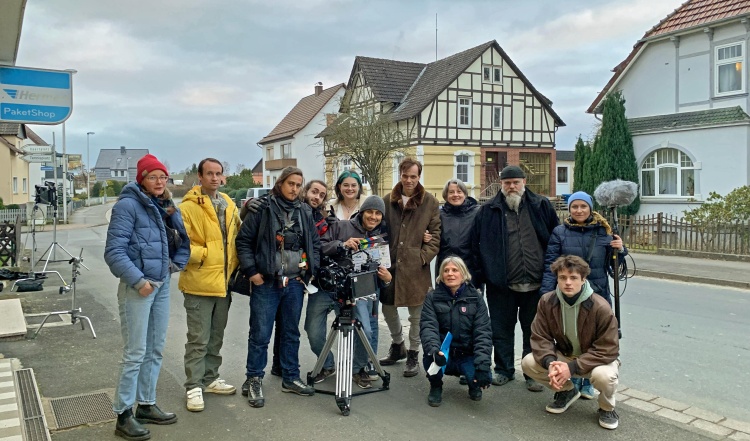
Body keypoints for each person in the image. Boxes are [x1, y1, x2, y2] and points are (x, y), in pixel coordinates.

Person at [105, 154, 190, 441]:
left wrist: (174, 265)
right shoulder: (128, 206)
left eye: (162, 177)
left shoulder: (166, 205)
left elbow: (182, 240)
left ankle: (146, 404)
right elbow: (114, 252)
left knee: (155, 348)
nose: (159, 181)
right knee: (135, 353)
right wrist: (139, 281)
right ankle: (123, 413)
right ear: (141, 179)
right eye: (152, 176)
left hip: (162, 284)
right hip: (138, 287)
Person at [236, 166, 321, 408]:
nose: (294, 189)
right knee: (260, 334)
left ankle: (290, 377)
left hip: (294, 283)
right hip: (267, 282)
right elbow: (243, 241)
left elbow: (313, 244)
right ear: (281, 183)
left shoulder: (304, 211)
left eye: (298, 184)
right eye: (290, 183)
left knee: (291, 333)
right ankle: (253, 379)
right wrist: (252, 273)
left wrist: (308, 273)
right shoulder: (263, 208)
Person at [469, 165, 559, 391]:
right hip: (501, 284)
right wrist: (480, 280)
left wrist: (555, 276)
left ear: (524, 182)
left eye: (516, 182)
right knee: (501, 329)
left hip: (536, 284)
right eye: (507, 183)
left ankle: (532, 373)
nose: (512, 187)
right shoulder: (488, 210)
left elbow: (556, 239)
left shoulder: (541, 206)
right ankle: (503, 369)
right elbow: (475, 248)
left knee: (533, 330)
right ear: (501, 184)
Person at [541, 191, 627, 400]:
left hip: (597, 293)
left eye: (583, 206)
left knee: (593, 337)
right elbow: (550, 265)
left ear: (590, 208)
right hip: (567, 294)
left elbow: (614, 265)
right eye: (574, 207)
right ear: (569, 210)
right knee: (571, 335)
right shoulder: (560, 232)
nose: (579, 210)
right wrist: (546, 293)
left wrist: (621, 250)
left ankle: (588, 381)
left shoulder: (604, 232)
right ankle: (572, 380)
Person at [521, 255, 621, 430]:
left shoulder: (600, 307)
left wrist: (571, 368)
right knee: (528, 363)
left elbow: (608, 349)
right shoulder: (547, 301)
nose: (568, 282)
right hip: (565, 356)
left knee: (604, 376)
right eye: (562, 277)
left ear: (583, 279)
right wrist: (551, 363)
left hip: (595, 361)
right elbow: (540, 337)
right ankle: (567, 391)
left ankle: (607, 408)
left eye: (573, 278)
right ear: (557, 279)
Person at [178, 158, 241, 412]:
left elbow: (237, 234)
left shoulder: (227, 202)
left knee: (216, 336)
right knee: (198, 339)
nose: (215, 178)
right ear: (200, 177)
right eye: (210, 174)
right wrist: (204, 255)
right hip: (199, 283)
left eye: (218, 174)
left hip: (224, 283)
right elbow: (181, 244)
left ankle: (211, 378)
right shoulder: (188, 207)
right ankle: (193, 386)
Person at [321, 195, 392, 389]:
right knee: (322, 328)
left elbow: (383, 271)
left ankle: (357, 369)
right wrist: (342, 245)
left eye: (378, 213)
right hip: (336, 286)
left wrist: (387, 279)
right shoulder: (342, 226)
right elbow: (321, 247)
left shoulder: (380, 238)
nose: (373, 216)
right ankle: (326, 365)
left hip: (363, 289)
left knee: (365, 330)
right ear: (362, 212)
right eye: (370, 211)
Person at [379, 157, 441, 378]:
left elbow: (435, 236)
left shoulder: (430, 203)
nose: (409, 180)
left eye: (413, 176)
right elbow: (378, 230)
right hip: (391, 266)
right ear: (400, 174)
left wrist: (422, 258)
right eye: (405, 176)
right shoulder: (387, 201)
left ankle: (414, 352)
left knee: (417, 314)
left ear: (419, 176)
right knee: (387, 307)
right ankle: (398, 345)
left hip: (417, 270)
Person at [419, 257, 492, 407]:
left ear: (463, 274)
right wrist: (434, 351)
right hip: (443, 353)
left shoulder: (476, 298)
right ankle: (436, 385)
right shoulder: (432, 297)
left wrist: (483, 365)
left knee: (479, 374)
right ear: (441, 275)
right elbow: (428, 326)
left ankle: (474, 385)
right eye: (446, 271)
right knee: (429, 360)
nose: (450, 274)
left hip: (467, 353)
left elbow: (483, 332)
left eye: (455, 270)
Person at [435, 178, 480, 279]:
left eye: (459, 191)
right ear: (446, 196)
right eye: (451, 192)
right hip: (446, 267)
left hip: (471, 267)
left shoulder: (477, 213)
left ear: (465, 194)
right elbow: (433, 234)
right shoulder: (439, 215)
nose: (455, 195)